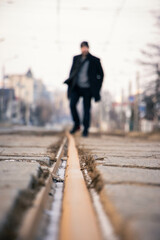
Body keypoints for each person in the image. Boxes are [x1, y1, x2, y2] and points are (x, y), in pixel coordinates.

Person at [64, 41, 104, 137]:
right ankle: (77, 124)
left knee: (86, 109)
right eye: (82, 47)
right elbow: (72, 72)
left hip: (88, 89)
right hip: (76, 87)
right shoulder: (76, 58)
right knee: (72, 105)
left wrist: (97, 87)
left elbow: (101, 75)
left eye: (86, 47)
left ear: (88, 48)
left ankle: (85, 130)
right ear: (80, 48)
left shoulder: (95, 60)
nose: (84, 49)